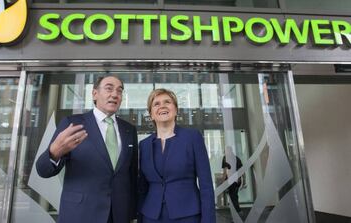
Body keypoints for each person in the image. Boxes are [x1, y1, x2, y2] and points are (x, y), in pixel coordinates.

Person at [36, 76, 138, 223]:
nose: (115, 94)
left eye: (119, 91)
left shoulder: (129, 130)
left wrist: (132, 213)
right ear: (94, 93)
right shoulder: (73, 123)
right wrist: (54, 152)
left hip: (119, 214)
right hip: (81, 213)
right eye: (109, 88)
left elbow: (131, 174)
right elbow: (43, 171)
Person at [138, 88, 216, 223]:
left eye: (167, 102)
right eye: (156, 104)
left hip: (187, 215)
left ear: (176, 110)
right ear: (151, 114)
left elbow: (206, 185)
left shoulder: (193, 138)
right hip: (151, 217)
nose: (162, 105)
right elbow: (142, 187)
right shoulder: (143, 145)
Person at [221, 146, 245, 213]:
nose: (225, 152)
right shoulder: (237, 158)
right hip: (237, 180)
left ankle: (238, 212)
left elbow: (225, 172)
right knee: (234, 196)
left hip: (231, 180)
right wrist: (243, 180)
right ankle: (237, 212)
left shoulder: (225, 158)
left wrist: (223, 182)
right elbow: (242, 171)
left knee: (232, 197)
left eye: (225, 151)